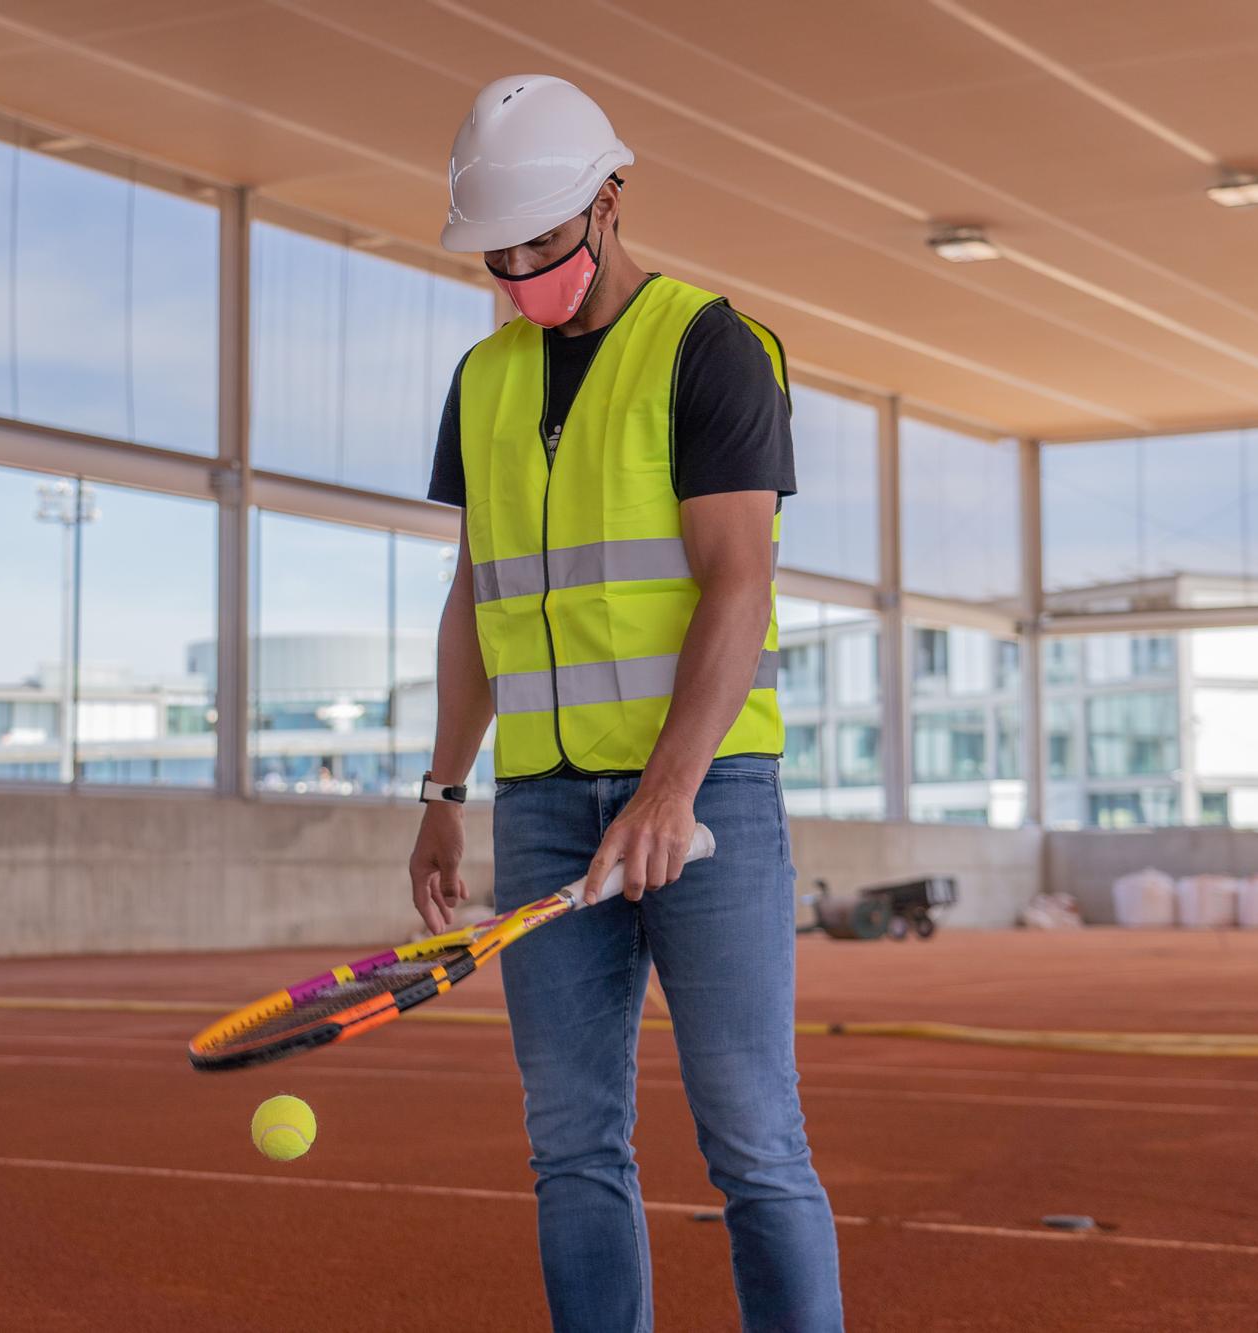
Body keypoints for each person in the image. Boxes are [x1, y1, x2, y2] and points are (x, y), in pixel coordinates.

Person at [405, 74, 844, 1333]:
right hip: (541, 807)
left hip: (707, 809)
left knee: (753, 1140)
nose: (519, 270)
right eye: (498, 255)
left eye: (539, 243)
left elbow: (734, 581)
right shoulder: (482, 382)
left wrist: (667, 791)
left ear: (608, 200)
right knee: (571, 1146)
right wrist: (443, 787)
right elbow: (473, 599)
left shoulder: (711, 345)